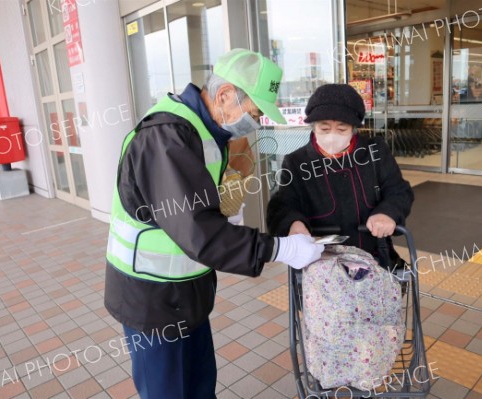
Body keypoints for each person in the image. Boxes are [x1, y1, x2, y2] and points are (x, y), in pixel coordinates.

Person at [104, 48, 324, 399]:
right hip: (152, 299)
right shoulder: (165, 137)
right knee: (168, 393)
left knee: (200, 387)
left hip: (186, 294)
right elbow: (196, 230)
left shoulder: (205, 131)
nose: (253, 123)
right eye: (252, 113)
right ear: (224, 95)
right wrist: (279, 248)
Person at [267, 84, 413, 265]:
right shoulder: (297, 162)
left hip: (373, 256)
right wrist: (292, 224)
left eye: (342, 129)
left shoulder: (374, 151)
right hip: (320, 262)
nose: (332, 136)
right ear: (313, 127)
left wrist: (387, 213)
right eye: (324, 129)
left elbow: (398, 190)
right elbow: (283, 205)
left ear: (354, 128)